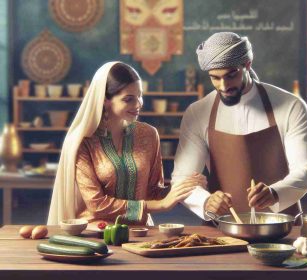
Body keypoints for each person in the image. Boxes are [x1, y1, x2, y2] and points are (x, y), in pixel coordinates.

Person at [172, 32, 307, 223]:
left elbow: (306, 170)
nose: (223, 86)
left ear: (247, 64)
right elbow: (182, 178)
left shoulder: (290, 106)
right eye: (215, 78)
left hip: (281, 227)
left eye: (231, 75)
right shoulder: (198, 113)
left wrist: (275, 193)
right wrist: (205, 201)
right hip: (222, 231)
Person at [47, 61, 205, 225]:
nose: (138, 105)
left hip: (140, 233)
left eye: (140, 96)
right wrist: (161, 205)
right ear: (105, 100)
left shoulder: (149, 134)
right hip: (97, 234)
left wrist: (184, 187)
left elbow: (152, 192)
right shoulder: (83, 141)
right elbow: (97, 204)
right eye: (128, 99)